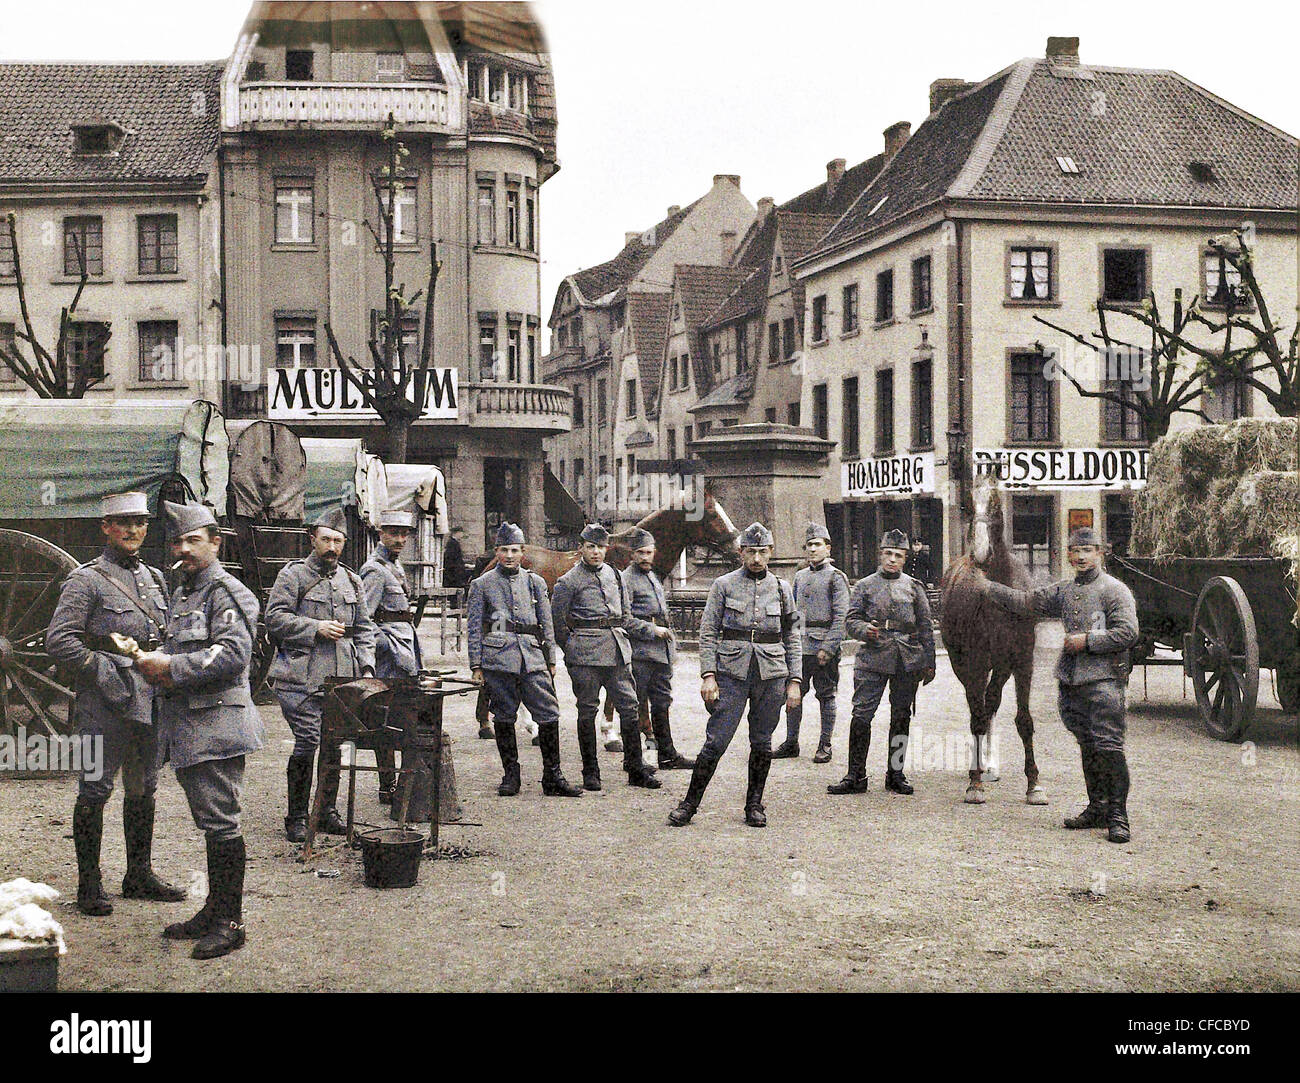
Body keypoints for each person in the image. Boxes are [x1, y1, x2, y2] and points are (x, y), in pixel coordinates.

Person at [46, 492, 187, 917]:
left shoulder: (155, 579)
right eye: (122, 522)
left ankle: (138, 875)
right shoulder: (86, 580)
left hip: (148, 698)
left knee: (144, 785)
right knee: (95, 788)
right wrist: (101, 669)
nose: (132, 530)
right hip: (102, 703)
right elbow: (59, 640)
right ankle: (89, 885)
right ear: (105, 527)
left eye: (140, 522)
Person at [133, 502, 263, 960]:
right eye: (177, 541)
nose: (183, 549)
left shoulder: (227, 591)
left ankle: (231, 922)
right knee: (211, 822)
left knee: (222, 822)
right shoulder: (186, 591)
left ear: (215, 543)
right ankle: (214, 909)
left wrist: (169, 665)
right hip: (190, 724)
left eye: (193, 540)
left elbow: (230, 655)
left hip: (217, 723)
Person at [976, 526, 1138, 843]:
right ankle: (1096, 808)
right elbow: (1025, 602)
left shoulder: (1115, 590)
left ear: (1099, 553)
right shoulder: (1063, 591)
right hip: (1072, 682)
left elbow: (1128, 632)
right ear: (1068, 554)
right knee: (1088, 746)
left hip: (1105, 681)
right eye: (1075, 551)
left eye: (1087, 551)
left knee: (1109, 748)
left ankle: (1118, 816)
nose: (1080, 556)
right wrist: (987, 587)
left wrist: (1088, 641)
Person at [668, 522, 801, 828]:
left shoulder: (783, 589)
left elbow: (792, 636)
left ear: (770, 553)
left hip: (771, 675)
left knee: (762, 742)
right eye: (751, 551)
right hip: (732, 675)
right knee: (716, 740)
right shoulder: (723, 585)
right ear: (741, 552)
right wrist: (708, 675)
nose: (756, 558)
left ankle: (754, 804)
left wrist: (794, 680)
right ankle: (689, 804)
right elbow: (709, 632)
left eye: (762, 552)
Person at [265, 507, 377, 842]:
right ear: (312, 539)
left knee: (335, 744)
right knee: (309, 739)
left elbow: (364, 629)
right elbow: (274, 618)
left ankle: (326, 811)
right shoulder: (293, 575)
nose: (332, 547)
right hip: (300, 677)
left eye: (338, 541)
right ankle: (297, 817)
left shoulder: (352, 580)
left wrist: (367, 666)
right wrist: (315, 627)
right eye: (326, 539)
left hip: (341, 678)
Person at [467, 522, 582, 797]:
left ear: (522, 552)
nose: (509, 555)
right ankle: (511, 776)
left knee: (549, 713)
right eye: (504, 550)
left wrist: (551, 658)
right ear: (497, 551)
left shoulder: (535, 582)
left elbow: (546, 623)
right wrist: (476, 665)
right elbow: (473, 626)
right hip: (498, 657)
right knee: (504, 715)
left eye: (515, 550)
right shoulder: (482, 585)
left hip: (532, 656)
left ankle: (553, 776)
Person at [551, 523, 661, 791]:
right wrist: (573, 649)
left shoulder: (615, 575)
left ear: (606, 549)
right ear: (581, 548)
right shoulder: (568, 581)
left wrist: (650, 630)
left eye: (601, 547)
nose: (596, 552)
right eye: (591, 546)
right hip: (585, 656)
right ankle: (591, 771)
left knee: (629, 707)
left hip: (616, 652)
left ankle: (635, 769)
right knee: (588, 710)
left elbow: (624, 616)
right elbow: (557, 624)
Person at [830, 529, 936, 797]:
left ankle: (895, 774)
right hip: (873, 658)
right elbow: (850, 620)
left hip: (907, 658)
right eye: (887, 554)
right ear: (880, 555)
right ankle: (855, 775)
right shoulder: (864, 585)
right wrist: (866, 630)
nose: (891, 560)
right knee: (862, 715)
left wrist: (929, 662)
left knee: (901, 716)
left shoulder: (914, 587)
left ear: (905, 559)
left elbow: (925, 626)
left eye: (898, 555)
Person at [772, 522, 849, 763]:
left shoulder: (837, 577)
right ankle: (791, 742)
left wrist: (829, 647)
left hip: (824, 647)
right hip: (800, 647)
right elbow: (793, 614)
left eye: (818, 545)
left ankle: (825, 744)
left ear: (828, 548)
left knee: (826, 695)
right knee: (793, 693)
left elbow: (841, 617)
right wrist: (789, 644)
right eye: (809, 545)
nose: (813, 549)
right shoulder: (799, 576)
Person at [620, 527, 694, 770]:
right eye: (640, 553)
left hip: (660, 652)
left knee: (662, 702)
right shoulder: (626, 579)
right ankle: (634, 760)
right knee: (635, 704)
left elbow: (663, 616)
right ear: (632, 554)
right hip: (640, 653)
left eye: (649, 552)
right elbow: (624, 619)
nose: (645, 557)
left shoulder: (653, 576)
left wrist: (671, 650)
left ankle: (667, 754)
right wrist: (652, 631)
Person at [360, 509, 421, 804]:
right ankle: (388, 786)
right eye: (393, 533)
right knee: (384, 722)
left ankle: (400, 786)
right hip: (389, 658)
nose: (399, 539)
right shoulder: (374, 569)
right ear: (380, 534)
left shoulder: (394, 566)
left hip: (404, 656)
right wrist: (387, 644)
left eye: (403, 534)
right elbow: (364, 620)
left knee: (403, 719)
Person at [442, 526, 470, 592]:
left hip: (454, 569)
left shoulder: (454, 542)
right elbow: (452, 558)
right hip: (453, 571)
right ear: (456, 533)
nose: (462, 535)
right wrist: (462, 566)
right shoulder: (452, 543)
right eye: (461, 533)